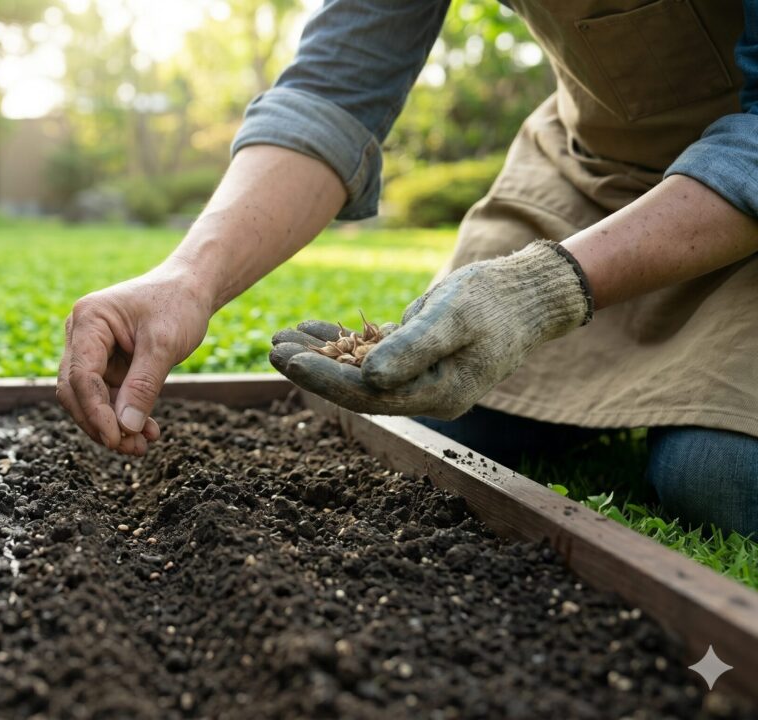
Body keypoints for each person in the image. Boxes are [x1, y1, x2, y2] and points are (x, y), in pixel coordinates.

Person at [55, 0, 758, 537]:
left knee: (719, 477)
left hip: (742, 198)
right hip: (595, 176)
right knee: (430, 424)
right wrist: (186, 279)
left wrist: (539, 290)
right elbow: (333, 92)